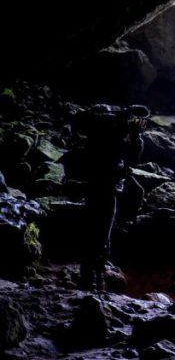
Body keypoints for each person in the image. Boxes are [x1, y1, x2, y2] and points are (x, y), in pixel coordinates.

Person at [66, 104, 148, 290]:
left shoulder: (98, 134)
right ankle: (94, 281)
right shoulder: (114, 137)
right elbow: (133, 159)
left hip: (92, 183)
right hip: (107, 187)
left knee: (93, 230)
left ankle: (88, 277)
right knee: (102, 233)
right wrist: (136, 136)